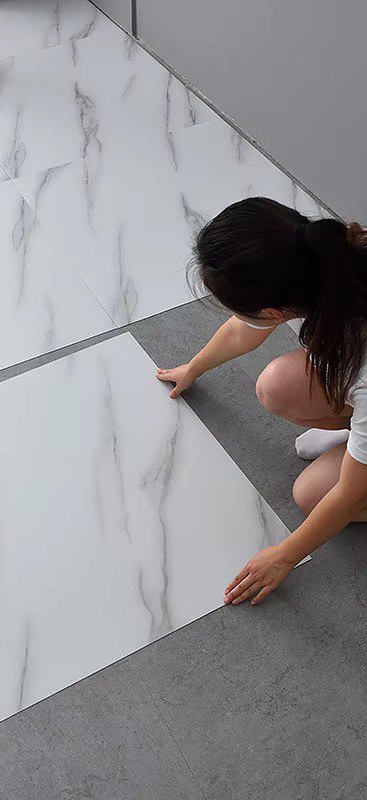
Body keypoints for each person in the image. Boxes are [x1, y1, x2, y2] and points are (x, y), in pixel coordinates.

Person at [157, 197, 367, 606]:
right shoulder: (325, 257)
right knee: (278, 385)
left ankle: (358, 443)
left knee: (314, 495)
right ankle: (356, 436)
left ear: (272, 311)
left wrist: (284, 556)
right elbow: (242, 330)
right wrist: (193, 368)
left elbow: (347, 496)